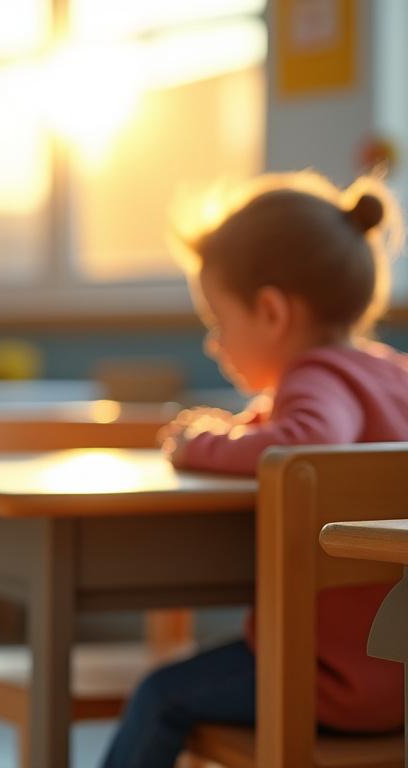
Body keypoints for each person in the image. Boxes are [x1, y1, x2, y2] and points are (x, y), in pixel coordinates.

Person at [102, 171, 408, 767]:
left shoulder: (314, 378)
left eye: (219, 323)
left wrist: (199, 448)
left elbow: (307, 442)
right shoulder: (390, 373)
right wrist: (237, 429)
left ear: (270, 312)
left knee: (159, 695)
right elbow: (305, 426)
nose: (215, 345)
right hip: (403, 672)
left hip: (330, 681)